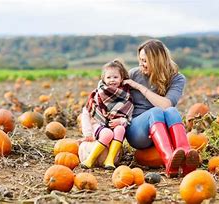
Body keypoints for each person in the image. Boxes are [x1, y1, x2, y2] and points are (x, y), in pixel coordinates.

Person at [123, 39, 199, 177]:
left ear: (156, 61)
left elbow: (166, 105)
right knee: (156, 111)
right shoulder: (134, 74)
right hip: (137, 131)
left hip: (160, 130)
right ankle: (169, 160)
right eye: (140, 60)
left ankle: (186, 157)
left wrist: (140, 88)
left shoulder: (177, 78)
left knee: (171, 110)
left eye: (145, 61)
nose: (141, 64)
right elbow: (108, 84)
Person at [80, 59, 134, 169]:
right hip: (99, 125)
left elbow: (128, 117)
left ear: (121, 78)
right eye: (109, 77)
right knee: (107, 134)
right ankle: (90, 159)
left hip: (115, 127)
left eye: (115, 77)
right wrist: (88, 133)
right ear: (103, 79)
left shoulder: (126, 96)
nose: (112, 80)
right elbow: (86, 113)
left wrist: (121, 121)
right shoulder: (98, 93)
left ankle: (110, 160)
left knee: (121, 129)